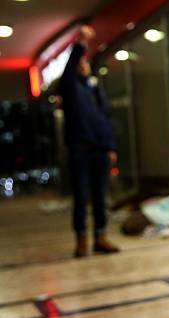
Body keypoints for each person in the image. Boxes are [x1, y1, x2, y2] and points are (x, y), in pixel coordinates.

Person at [59, 25, 120, 257]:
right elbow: (68, 70)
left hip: (100, 152)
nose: (83, 65)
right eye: (80, 63)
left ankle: (100, 237)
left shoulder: (94, 92)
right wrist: (81, 42)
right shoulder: (71, 89)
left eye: (86, 63)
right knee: (81, 198)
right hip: (80, 152)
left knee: (100, 196)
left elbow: (104, 122)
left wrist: (111, 147)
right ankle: (81, 240)